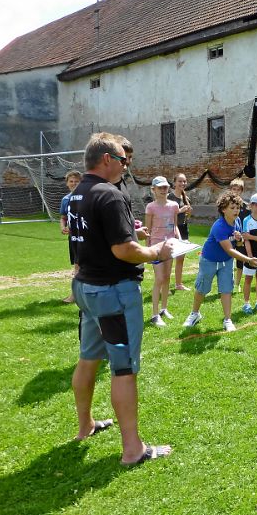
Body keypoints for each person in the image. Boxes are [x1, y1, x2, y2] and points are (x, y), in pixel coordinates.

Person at [68, 132, 174, 465]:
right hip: (112, 292)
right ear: (106, 160)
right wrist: (156, 250)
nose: (126, 165)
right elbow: (124, 250)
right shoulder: (109, 195)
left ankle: (85, 425)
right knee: (123, 369)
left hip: (86, 288)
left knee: (88, 358)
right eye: (123, 160)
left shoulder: (76, 195)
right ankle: (133, 450)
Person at [183, 192, 257, 331]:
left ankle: (227, 320)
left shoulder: (237, 221)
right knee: (202, 288)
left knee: (226, 289)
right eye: (232, 208)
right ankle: (194, 314)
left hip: (226, 262)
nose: (236, 210)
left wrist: (239, 240)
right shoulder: (219, 226)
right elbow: (229, 250)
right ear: (223, 209)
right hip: (209, 260)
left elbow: (237, 246)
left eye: (237, 207)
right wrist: (248, 260)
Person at [145, 176, 180, 327]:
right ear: (153, 190)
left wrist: (179, 239)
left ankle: (163, 309)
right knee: (159, 278)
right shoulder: (150, 207)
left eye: (165, 187)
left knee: (166, 277)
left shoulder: (174, 205)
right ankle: (154, 314)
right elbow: (147, 230)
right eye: (160, 188)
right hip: (156, 246)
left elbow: (175, 226)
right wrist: (147, 249)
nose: (163, 190)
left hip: (170, 245)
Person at [60, 170, 82, 303]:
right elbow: (63, 217)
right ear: (67, 183)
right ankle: (75, 295)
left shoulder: (86, 197)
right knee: (77, 265)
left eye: (76, 181)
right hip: (74, 237)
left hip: (87, 236)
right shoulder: (66, 199)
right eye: (71, 181)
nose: (74, 183)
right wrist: (63, 227)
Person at [168, 172, 192, 291]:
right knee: (169, 258)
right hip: (172, 228)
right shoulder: (169, 197)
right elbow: (165, 213)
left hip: (183, 228)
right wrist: (181, 210)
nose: (182, 183)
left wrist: (188, 211)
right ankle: (165, 284)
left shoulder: (185, 197)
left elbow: (186, 214)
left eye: (184, 181)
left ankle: (178, 284)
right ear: (174, 183)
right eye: (180, 181)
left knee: (181, 257)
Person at [229, 178, 250, 292]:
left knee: (240, 260)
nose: (236, 191)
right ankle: (230, 281)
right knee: (229, 259)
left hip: (241, 237)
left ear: (241, 191)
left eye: (238, 189)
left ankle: (237, 283)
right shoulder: (226, 204)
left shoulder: (246, 206)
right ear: (230, 190)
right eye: (234, 189)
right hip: (229, 236)